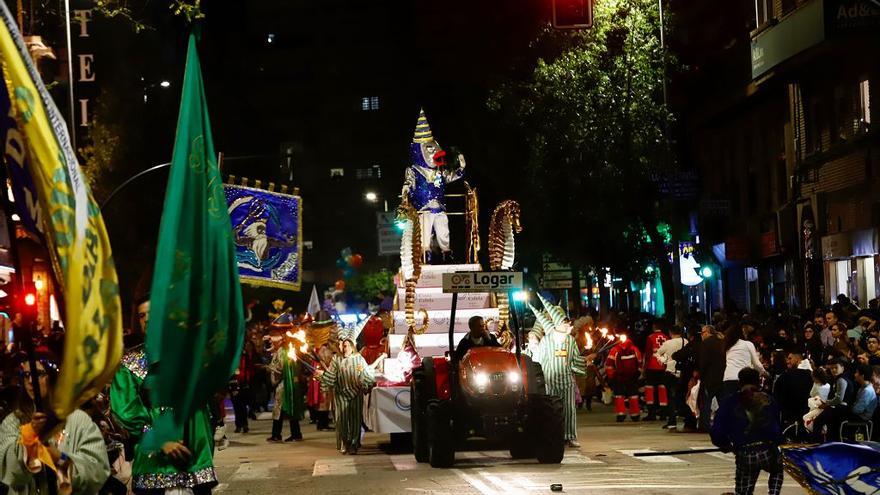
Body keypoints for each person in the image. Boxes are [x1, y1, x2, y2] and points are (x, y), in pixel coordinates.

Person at [110, 296, 218, 494]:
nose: (148, 320)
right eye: (142, 316)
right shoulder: (130, 364)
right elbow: (126, 410)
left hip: (194, 463)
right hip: (154, 465)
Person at [1, 352, 110, 494]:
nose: (30, 380)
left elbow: (97, 471)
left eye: (38, 373)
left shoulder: (78, 420)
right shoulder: (13, 422)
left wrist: (60, 460)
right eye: (26, 375)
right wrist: (29, 439)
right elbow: (7, 471)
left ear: (53, 377)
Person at [400, 108, 466, 264]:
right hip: (423, 209)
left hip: (440, 207)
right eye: (430, 149)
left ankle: (447, 254)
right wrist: (404, 193)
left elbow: (452, 176)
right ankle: (425, 256)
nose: (435, 152)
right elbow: (407, 184)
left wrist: (461, 167)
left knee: (444, 231)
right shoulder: (414, 171)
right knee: (424, 234)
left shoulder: (439, 171)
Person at [711, 368, 784, 495]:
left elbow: (717, 430)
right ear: (758, 382)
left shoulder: (731, 401)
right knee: (777, 470)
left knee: (743, 489)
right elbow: (777, 426)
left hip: (745, 452)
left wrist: (725, 444)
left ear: (739, 383)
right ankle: (774, 492)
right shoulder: (769, 400)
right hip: (768, 450)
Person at [525, 299, 586, 447]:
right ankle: (555, 435)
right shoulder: (546, 340)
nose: (569, 325)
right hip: (551, 381)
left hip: (567, 381)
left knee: (570, 410)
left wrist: (582, 364)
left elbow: (575, 359)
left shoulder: (570, 340)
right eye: (566, 323)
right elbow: (538, 359)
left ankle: (570, 436)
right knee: (552, 411)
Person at [318, 335, 376, 455]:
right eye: (341, 346)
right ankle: (345, 443)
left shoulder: (359, 359)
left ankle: (354, 444)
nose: (343, 348)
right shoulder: (336, 359)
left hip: (356, 393)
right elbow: (331, 375)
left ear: (351, 346)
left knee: (355, 421)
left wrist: (366, 384)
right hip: (341, 395)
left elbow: (364, 373)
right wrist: (322, 377)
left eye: (345, 346)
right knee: (341, 421)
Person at [266, 336, 304, 443]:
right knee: (280, 410)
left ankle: (283, 434)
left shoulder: (282, 352)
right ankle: (282, 434)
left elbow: (281, 367)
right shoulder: (279, 352)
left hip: (284, 384)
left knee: (283, 409)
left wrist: (270, 368)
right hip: (282, 384)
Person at [811, 358, 855, 441]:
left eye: (836, 367)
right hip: (839, 408)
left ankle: (816, 443)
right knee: (830, 428)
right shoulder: (839, 379)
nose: (833, 370)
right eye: (831, 368)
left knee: (818, 421)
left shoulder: (841, 380)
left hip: (841, 408)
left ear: (842, 367)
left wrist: (826, 403)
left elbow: (839, 399)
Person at [605, 333, 643, 423]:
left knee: (619, 396)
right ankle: (635, 415)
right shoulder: (634, 349)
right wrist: (638, 374)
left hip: (619, 377)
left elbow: (609, 364)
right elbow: (640, 362)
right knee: (633, 395)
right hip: (632, 377)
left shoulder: (614, 350)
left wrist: (611, 376)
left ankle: (621, 414)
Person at [722, 324, 766, 399]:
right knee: (745, 406)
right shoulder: (748, 344)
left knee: (731, 406)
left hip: (728, 378)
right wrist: (765, 373)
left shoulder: (728, 346)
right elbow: (756, 364)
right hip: (744, 378)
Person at [655, 326, 687, 429]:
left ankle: (672, 421)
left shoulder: (668, 343)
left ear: (670, 332)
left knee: (671, 396)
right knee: (682, 395)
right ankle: (686, 417)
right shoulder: (685, 341)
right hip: (683, 371)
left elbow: (658, 353)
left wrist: (663, 360)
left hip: (670, 371)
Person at [772, 351, 813, 425]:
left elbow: (776, 395)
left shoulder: (786, 376)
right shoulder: (811, 375)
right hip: (802, 414)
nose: (787, 361)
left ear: (798, 359)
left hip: (792, 414)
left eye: (790, 358)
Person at [697, 324, 725, 431]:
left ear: (708, 333)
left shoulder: (706, 344)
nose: (701, 335)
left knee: (706, 402)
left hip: (709, 377)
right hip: (722, 376)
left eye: (703, 333)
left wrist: (701, 375)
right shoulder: (722, 342)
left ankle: (705, 425)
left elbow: (704, 362)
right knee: (722, 402)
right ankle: (725, 424)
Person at [642, 321, 669, 422]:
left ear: (654, 326)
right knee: (662, 389)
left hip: (652, 366)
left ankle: (651, 413)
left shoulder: (650, 337)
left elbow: (648, 354)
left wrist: (644, 368)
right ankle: (663, 413)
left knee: (649, 390)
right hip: (663, 366)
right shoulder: (666, 337)